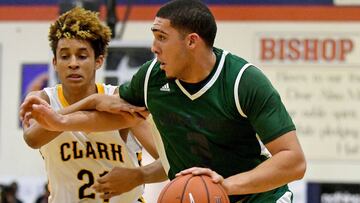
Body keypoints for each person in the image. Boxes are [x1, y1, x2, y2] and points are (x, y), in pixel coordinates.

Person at [21, 0, 306, 202]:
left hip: (258, 197)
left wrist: (224, 187)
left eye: (161, 37)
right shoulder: (152, 78)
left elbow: (293, 161)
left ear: (191, 42)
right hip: (200, 196)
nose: (153, 47)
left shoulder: (243, 81)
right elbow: (117, 112)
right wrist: (62, 119)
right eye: (153, 36)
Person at [20, 7, 160, 203]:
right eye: (65, 56)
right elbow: (33, 140)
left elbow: (169, 161)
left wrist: (138, 175)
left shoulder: (120, 100)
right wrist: (91, 102)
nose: (73, 63)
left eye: (82, 55)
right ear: (55, 62)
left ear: (99, 61)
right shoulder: (43, 100)